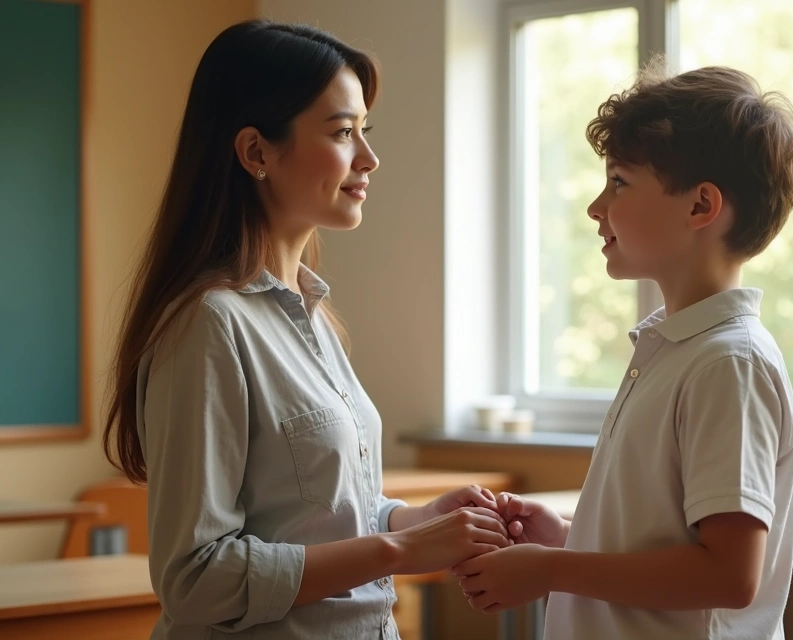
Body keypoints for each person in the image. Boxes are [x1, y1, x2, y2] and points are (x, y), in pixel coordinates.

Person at [103, 19, 510, 640]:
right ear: (256, 153)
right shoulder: (210, 324)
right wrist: (400, 552)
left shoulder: (312, 313)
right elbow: (194, 579)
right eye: (343, 132)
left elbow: (312, 516)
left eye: (365, 131)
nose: (369, 158)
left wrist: (412, 520)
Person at [455, 58, 793, 640]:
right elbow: (665, 544)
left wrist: (552, 570)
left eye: (619, 182)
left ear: (700, 206)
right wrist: (569, 541)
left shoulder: (727, 364)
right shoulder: (672, 349)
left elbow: (728, 575)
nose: (596, 207)